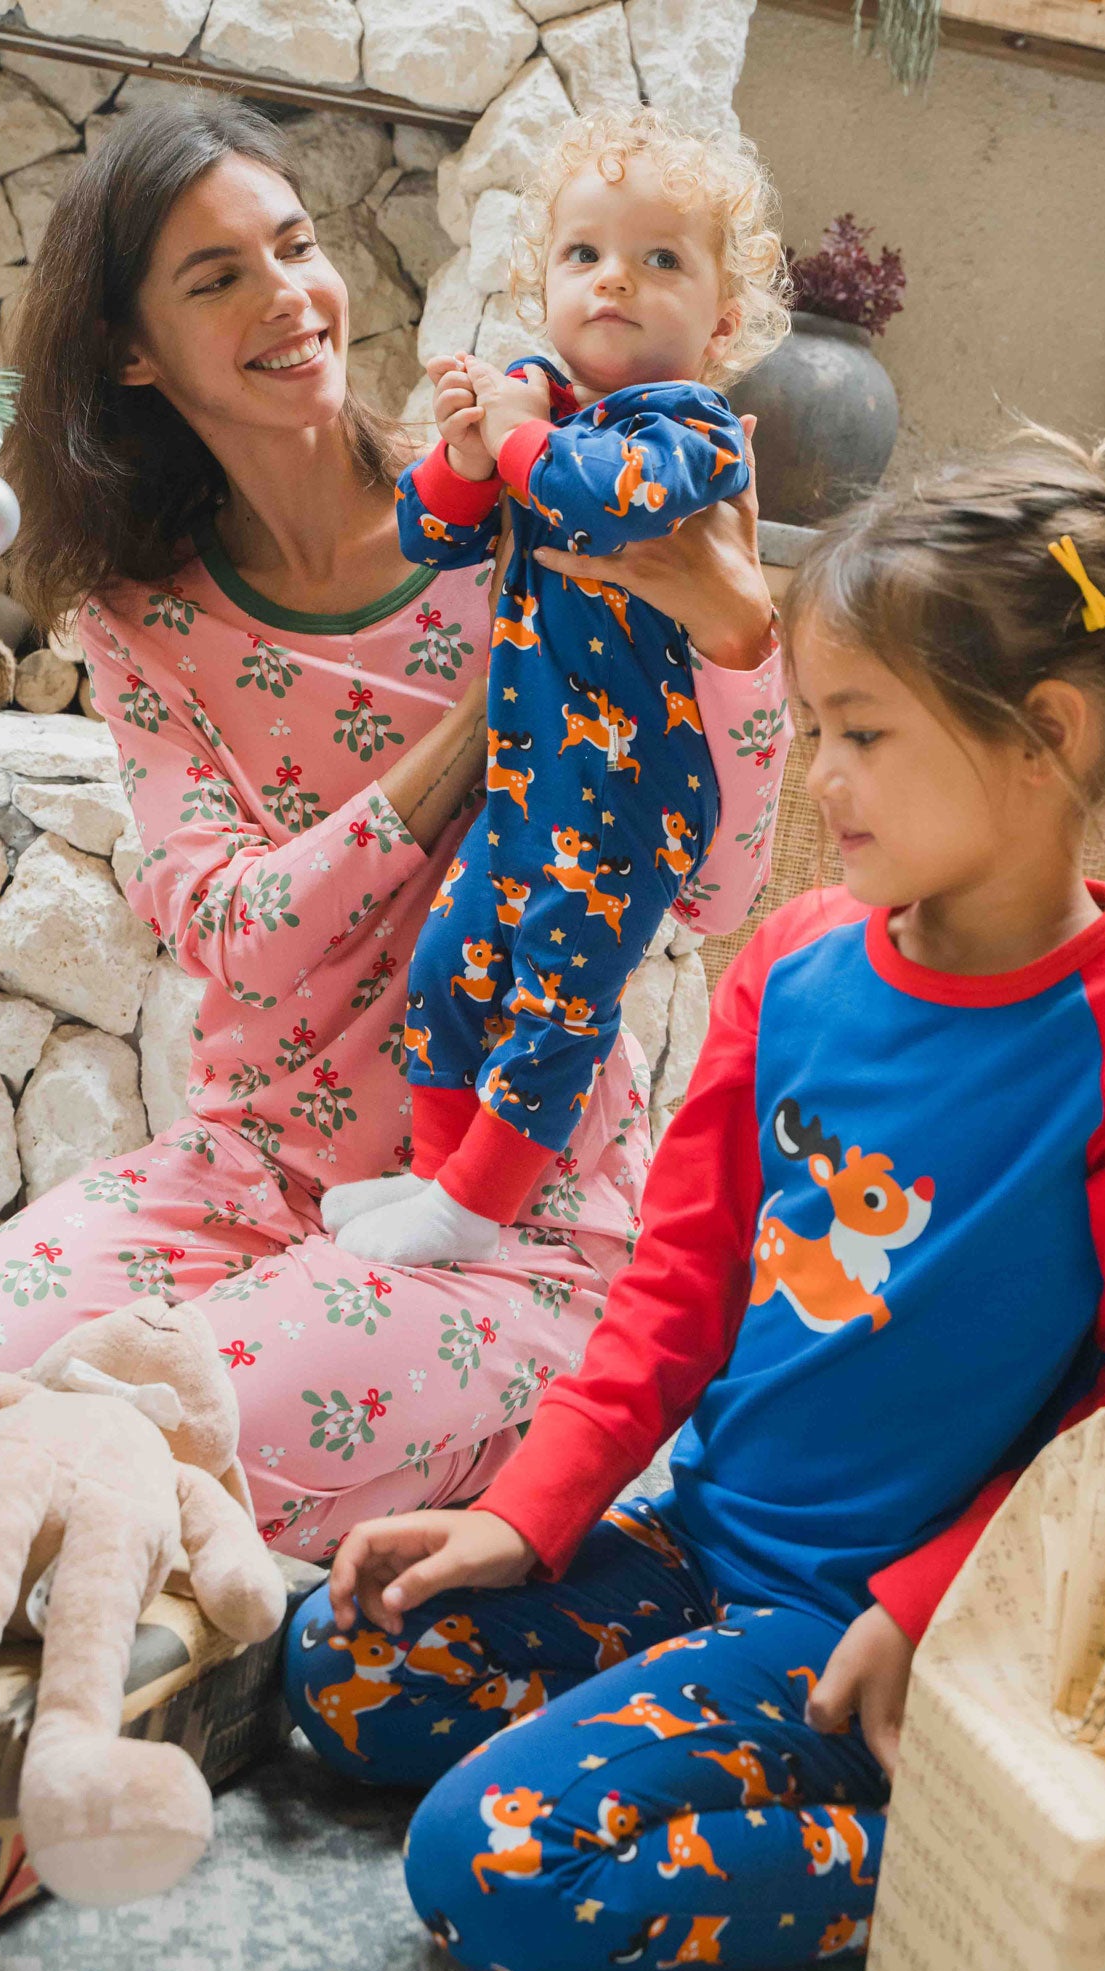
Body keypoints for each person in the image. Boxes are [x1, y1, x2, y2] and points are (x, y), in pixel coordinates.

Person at [286, 426, 1105, 1971]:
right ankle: (688, 1720)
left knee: (496, 1868)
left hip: (886, 1623)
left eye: (864, 735)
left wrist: (925, 1603)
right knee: (342, 1663)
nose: (820, 780)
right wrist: (520, 1513)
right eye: (813, 728)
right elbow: (674, 1291)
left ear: (1049, 736)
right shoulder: (797, 959)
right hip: (705, 1544)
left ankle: (969, 1855)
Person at [0, 94, 789, 1564]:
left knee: (144, 1428)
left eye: (295, 245)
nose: (290, 297)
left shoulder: (536, 519)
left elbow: (713, 893)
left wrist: (737, 635)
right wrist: (484, 732)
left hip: (512, 1220)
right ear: (133, 352)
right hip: (240, 1176)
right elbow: (236, 937)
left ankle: (440, 1445)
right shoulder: (145, 621)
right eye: (217, 278)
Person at [326, 109, 783, 1269]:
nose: (612, 278)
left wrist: (521, 435)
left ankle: (474, 1211)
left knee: (556, 1000)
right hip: (530, 777)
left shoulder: (689, 428)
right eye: (582, 254)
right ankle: (436, 1180)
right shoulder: (551, 419)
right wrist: (470, 454)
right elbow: (429, 533)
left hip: (631, 795)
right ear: (546, 283)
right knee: (447, 960)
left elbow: (601, 500)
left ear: (719, 323)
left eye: (658, 259)